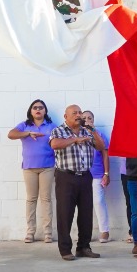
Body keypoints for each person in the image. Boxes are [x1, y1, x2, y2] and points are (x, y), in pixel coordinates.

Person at [49, 105, 104, 261]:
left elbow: (100, 147)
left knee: (86, 214)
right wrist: (74, 139)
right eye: (75, 113)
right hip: (66, 177)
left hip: (85, 176)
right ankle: (65, 250)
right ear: (66, 116)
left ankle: (84, 247)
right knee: (65, 213)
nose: (79, 115)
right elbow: (54, 145)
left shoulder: (87, 131)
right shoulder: (58, 131)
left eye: (80, 112)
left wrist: (92, 130)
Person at [8, 100, 55, 244]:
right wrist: (27, 133)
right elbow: (11, 134)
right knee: (31, 199)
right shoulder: (25, 125)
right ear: (31, 111)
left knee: (46, 199)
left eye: (41, 108)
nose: (38, 110)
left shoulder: (52, 126)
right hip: (29, 167)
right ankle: (30, 232)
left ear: (45, 111)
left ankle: (48, 233)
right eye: (35, 108)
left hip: (47, 166)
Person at [82, 110, 113, 242]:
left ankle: (104, 231)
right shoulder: (76, 134)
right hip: (81, 174)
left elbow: (105, 154)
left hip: (97, 174)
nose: (87, 120)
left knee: (98, 202)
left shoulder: (99, 135)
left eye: (90, 118)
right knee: (84, 204)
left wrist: (107, 173)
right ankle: (85, 233)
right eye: (84, 118)